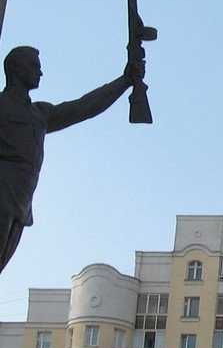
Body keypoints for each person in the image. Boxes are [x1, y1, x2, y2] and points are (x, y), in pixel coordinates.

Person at [0, 46, 143, 274]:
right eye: (34, 66)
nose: (40, 72)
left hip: (21, 201)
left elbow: (83, 107)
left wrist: (124, 81)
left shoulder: (39, 114)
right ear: (16, 69)